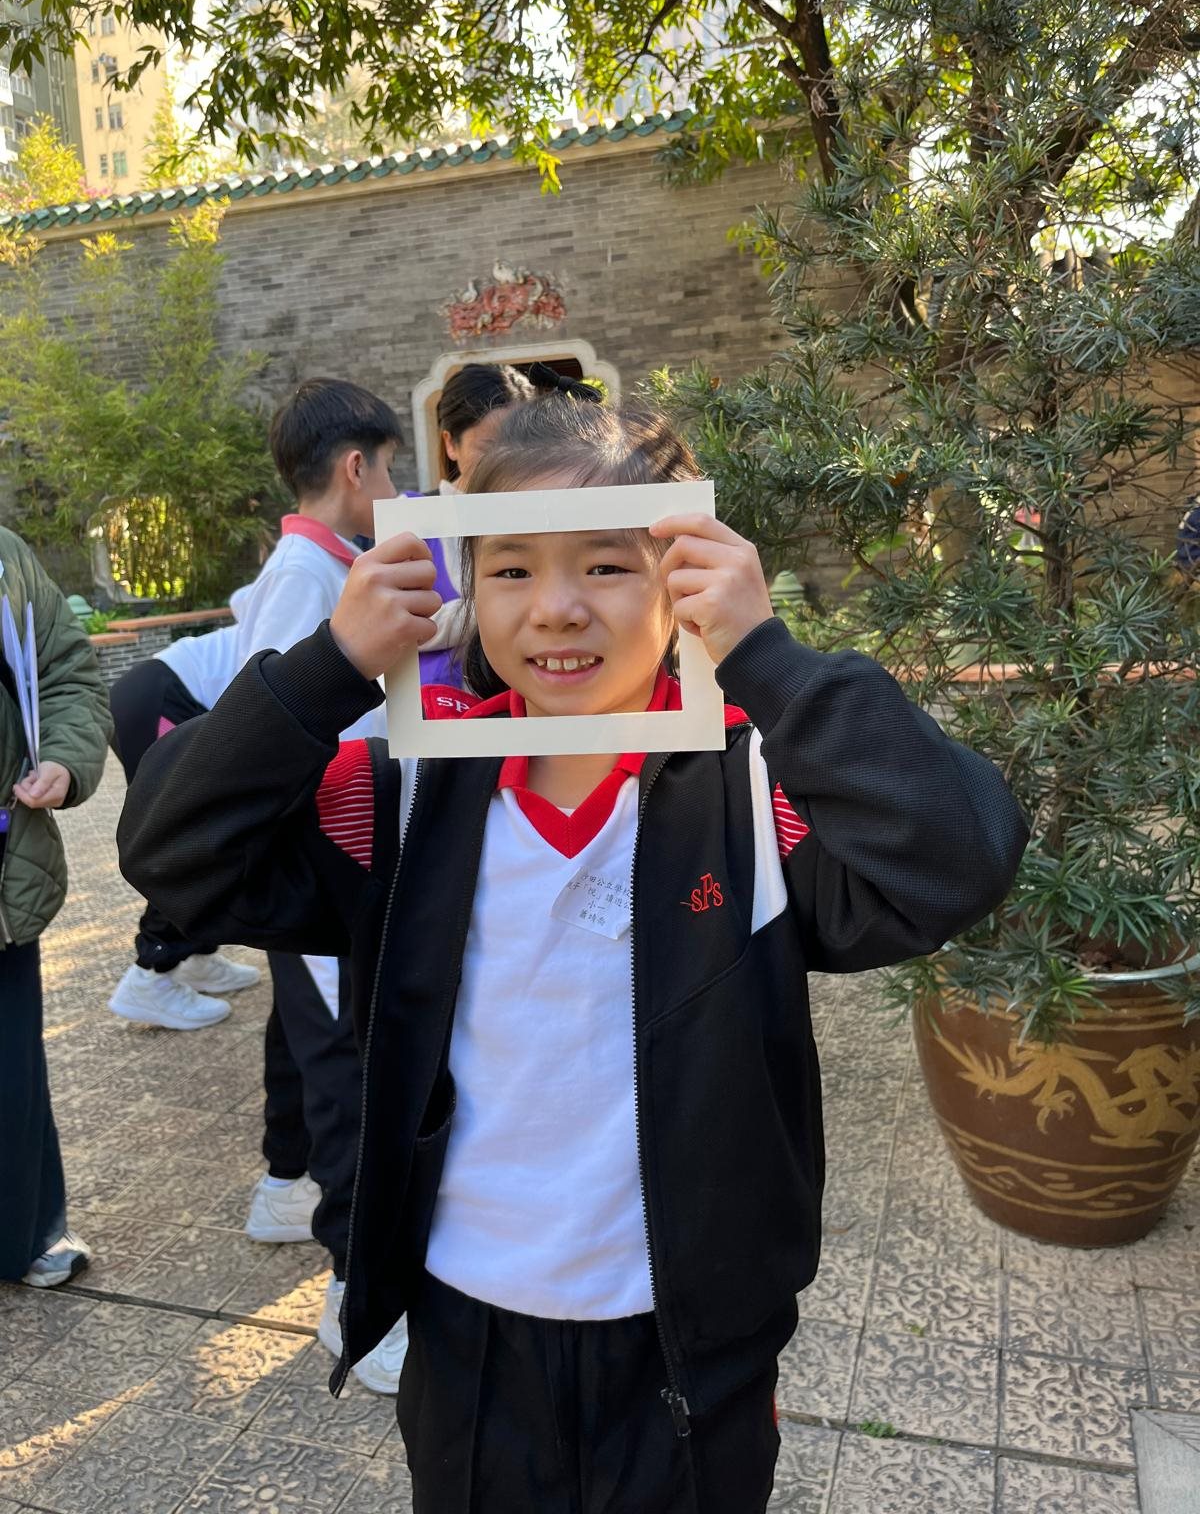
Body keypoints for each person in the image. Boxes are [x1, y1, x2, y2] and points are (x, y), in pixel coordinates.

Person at [118, 395, 1028, 1512]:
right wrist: (327, 667)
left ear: (680, 577)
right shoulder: (405, 795)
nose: (556, 607)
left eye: (606, 565)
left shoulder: (750, 795)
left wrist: (769, 659)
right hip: (466, 1331)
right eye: (510, 570)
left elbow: (958, 856)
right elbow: (176, 852)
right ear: (464, 585)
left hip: (689, 1342)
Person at [109, 378, 408, 1392]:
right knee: (346, 1066)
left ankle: (285, 1191)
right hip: (326, 851)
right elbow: (271, 723)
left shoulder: (329, 565)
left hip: (333, 853)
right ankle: (355, 1299)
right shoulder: (304, 576)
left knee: (307, 1034)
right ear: (355, 467)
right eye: (391, 468)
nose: (395, 487)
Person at [0, 527, 111, 1289]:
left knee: (11, 1064)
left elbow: (66, 671)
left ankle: (25, 1232)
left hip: (7, 865)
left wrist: (65, 760)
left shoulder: (6, 555)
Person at [413, 361, 535, 686]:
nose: (505, 460)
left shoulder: (539, 516)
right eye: (489, 447)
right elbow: (398, 625)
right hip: (443, 705)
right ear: (450, 444)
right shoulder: (413, 518)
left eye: (521, 445)